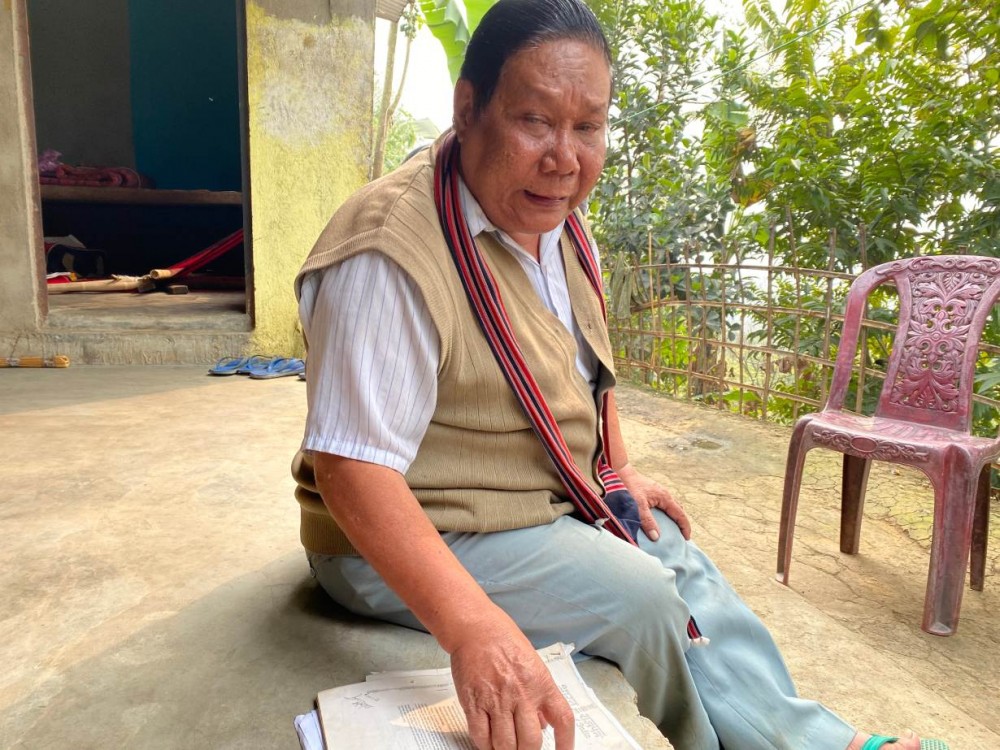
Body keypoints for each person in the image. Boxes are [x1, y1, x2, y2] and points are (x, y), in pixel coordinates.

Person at [291, 1, 945, 748]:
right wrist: (473, 627)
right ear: (468, 109)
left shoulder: (556, 220)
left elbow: (583, 372)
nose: (564, 158)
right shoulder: (389, 253)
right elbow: (352, 470)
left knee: (672, 551)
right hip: (412, 533)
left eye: (589, 127)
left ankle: (820, 741)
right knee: (643, 598)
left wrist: (617, 470)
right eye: (535, 120)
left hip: (533, 497)